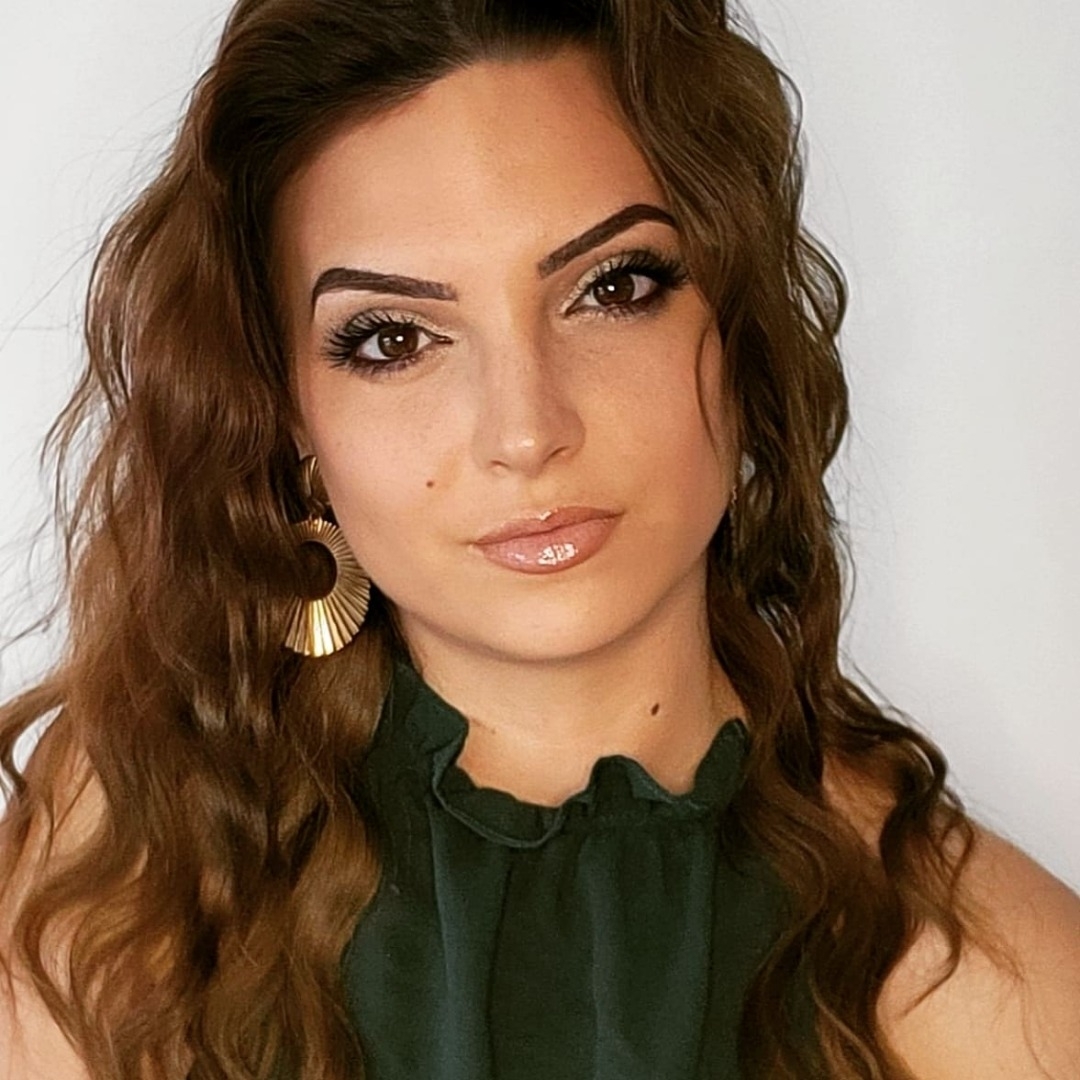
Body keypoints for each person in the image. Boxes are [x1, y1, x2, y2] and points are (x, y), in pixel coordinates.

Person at [1, 1, 1078, 1077]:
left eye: (614, 288)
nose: (526, 432)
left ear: (738, 326)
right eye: (394, 339)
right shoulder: (132, 861)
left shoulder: (1002, 990)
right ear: (288, 416)